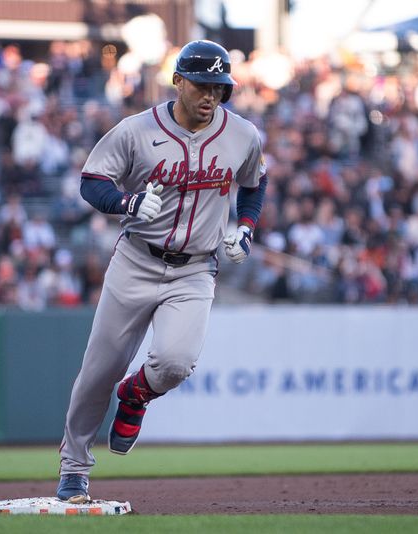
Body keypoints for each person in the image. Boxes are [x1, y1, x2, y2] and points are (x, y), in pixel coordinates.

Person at [56, 40, 267, 503]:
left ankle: (136, 395)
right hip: (136, 259)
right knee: (98, 371)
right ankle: (73, 467)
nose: (211, 95)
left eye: (220, 86)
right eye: (202, 84)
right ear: (178, 82)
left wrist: (246, 227)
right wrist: (127, 202)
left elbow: (255, 184)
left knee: (174, 363)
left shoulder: (243, 134)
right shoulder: (136, 130)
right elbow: (92, 181)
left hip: (195, 269)